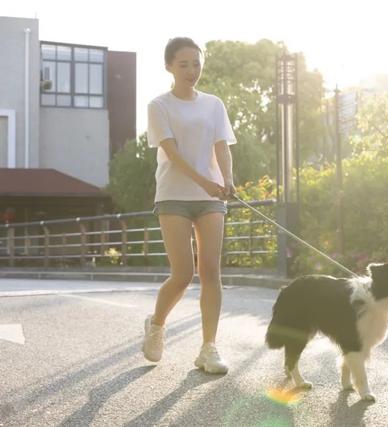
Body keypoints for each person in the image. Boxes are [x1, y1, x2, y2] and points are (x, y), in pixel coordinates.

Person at [142, 37, 237, 374]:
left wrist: (227, 179)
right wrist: (205, 182)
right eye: (183, 64)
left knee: (211, 271)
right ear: (169, 66)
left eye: (196, 64)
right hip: (173, 196)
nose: (191, 70)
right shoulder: (159, 106)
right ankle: (156, 324)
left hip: (211, 198)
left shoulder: (214, 104)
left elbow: (222, 146)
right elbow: (172, 154)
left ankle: (208, 348)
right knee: (183, 274)